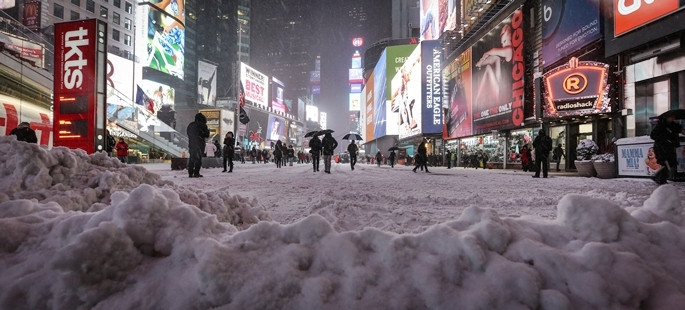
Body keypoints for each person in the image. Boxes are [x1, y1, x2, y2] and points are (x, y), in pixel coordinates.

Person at [650, 114, 685, 184]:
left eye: (674, 117)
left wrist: (680, 131)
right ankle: (660, 178)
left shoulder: (673, 125)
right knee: (666, 163)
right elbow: (653, 135)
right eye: (671, 117)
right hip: (662, 147)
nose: (673, 118)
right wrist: (665, 140)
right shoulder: (661, 125)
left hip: (670, 147)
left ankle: (659, 177)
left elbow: (678, 130)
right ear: (667, 118)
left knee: (671, 163)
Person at [187, 113, 210, 178]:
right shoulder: (203, 125)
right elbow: (206, 135)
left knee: (192, 158)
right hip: (199, 144)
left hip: (191, 143)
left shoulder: (191, 125)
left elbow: (188, 133)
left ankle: (190, 172)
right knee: (198, 159)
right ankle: (196, 173)